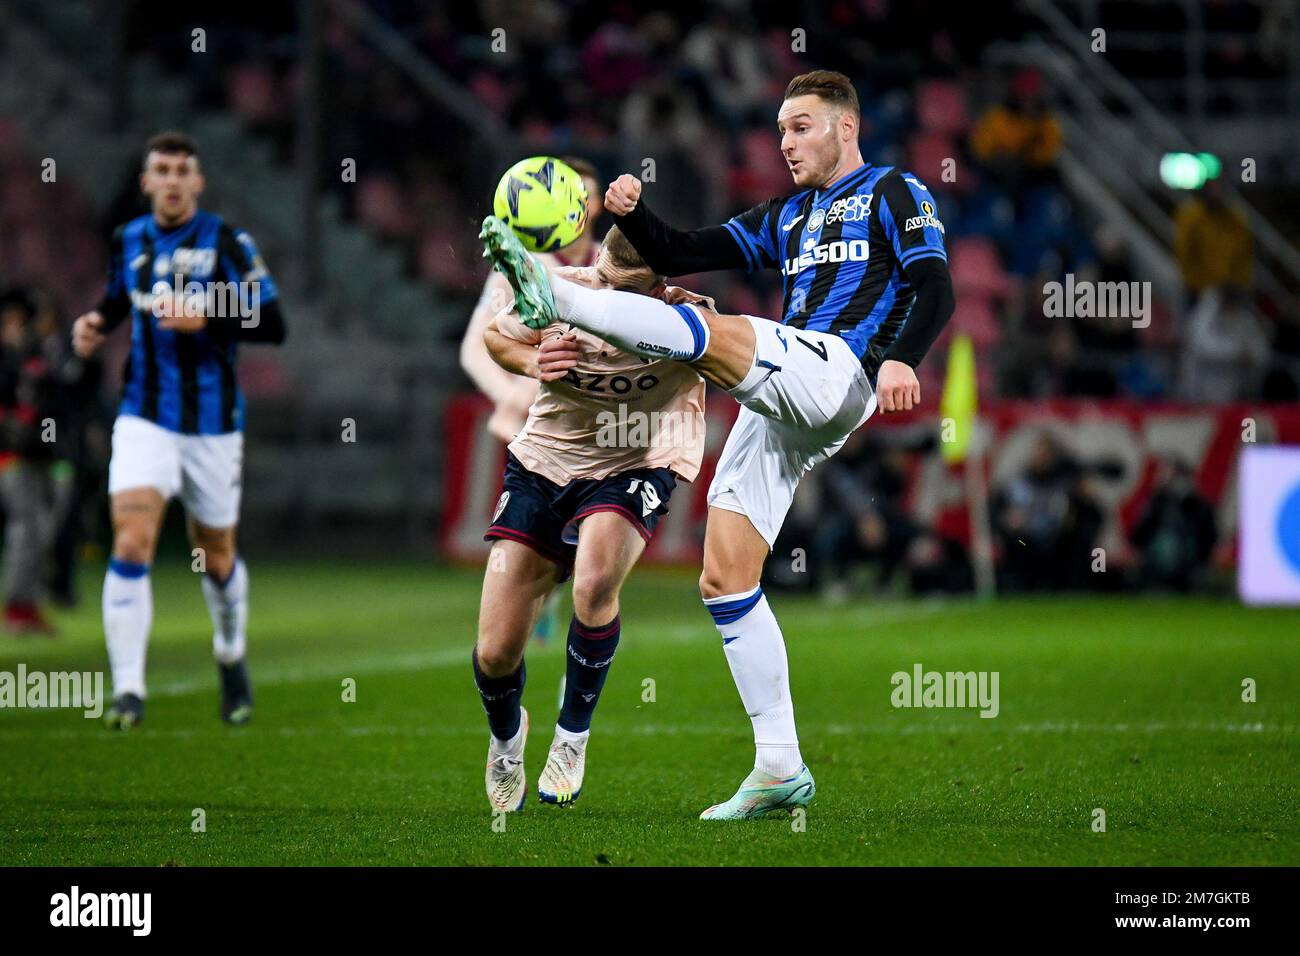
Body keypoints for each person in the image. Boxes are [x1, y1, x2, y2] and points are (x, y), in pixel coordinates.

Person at [481, 69, 955, 819]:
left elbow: (935, 285)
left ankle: (559, 298)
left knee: (715, 338)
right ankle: (780, 766)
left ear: (845, 127)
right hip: (784, 400)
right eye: (779, 130)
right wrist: (635, 216)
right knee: (726, 578)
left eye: (801, 127)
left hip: (838, 371)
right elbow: (677, 248)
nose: (786, 142)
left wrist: (905, 356)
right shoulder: (788, 216)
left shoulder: (894, 192)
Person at [473, 226, 707, 811]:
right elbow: (494, 340)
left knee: (595, 579)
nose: (607, 290)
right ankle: (506, 742)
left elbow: (748, 361)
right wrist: (532, 358)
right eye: (604, 277)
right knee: (495, 653)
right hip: (544, 461)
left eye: (625, 288)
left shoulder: (688, 322)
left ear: (659, 285)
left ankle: (572, 737)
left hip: (637, 460)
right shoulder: (560, 293)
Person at [70, 131, 287, 729]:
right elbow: (121, 297)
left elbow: (273, 323)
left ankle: (230, 654)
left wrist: (209, 315)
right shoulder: (130, 239)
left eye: (180, 170)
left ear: (197, 182)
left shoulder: (227, 242)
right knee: (132, 540)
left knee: (214, 554)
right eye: (160, 169)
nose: (170, 179)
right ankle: (130, 691)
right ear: (146, 182)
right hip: (142, 415)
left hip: (213, 425)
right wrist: (96, 322)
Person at [460, 157, 603, 644]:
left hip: (594, 428)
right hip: (530, 431)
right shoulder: (517, 266)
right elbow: (477, 345)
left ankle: (565, 609)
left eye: (582, 195)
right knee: (527, 545)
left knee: (589, 546)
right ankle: (523, 613)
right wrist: (516, 394)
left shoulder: (615, 264)